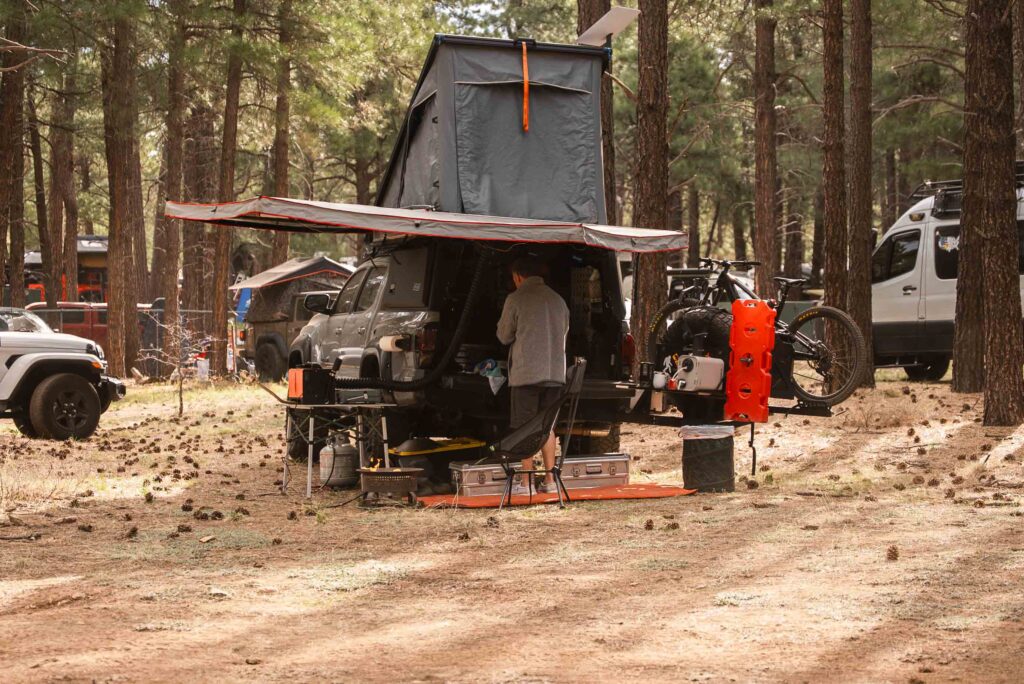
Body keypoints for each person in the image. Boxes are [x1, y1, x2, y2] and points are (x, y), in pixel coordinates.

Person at [496, 256, 570, 494]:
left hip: (527, 374)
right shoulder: (559, 301)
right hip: (555, 373)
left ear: (518, 276)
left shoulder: (516, 299)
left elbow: (504, 335)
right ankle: (550, 481)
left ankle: (526, 483)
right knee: (547, 427)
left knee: (524, 427)